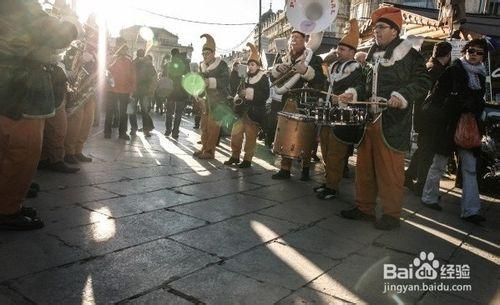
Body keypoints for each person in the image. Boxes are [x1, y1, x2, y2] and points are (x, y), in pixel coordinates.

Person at [338, 7, 431, 230]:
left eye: (381, 27)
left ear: (394, 30)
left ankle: (391, 214)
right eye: (375, 27)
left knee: (390, 171)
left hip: (392, 122)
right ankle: (364, 208)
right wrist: (353, 92)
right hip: (368, 118)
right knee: (364, 167)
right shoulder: (371, 52)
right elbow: (364, 81)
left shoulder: (410, 53)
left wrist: (402, 96)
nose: (376, 31)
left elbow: (423, 82)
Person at [0, 0, 77, 230]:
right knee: (23, 148)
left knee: (7, 148)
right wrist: (72, 23)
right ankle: (7, 208)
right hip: (20, 85)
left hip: (11, 80)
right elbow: (52, 33)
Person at [421, 39, 488, 225]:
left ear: (483, 56)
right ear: (465, 51)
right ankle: (429, 197)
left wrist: (474, 106)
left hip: (467, 127)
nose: (474, 54)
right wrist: (452, 108)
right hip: (448, 125)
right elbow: (436, 98)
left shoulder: (481, 75)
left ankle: (471, 210)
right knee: (438, 163)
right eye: (471, 50)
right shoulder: (452, 71)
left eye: (479, 52)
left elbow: (478, 101)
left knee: (469, 168)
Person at [315, 19, 365, 200]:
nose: (338, 50)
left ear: (352, 52)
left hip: (343, 115)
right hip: (328, 112)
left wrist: (349, 95)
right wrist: (322, 99)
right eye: (339, 48)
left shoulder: (356, 68)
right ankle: (329, 181)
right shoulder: (334, 65)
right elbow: (326, 85)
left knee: (336, 153)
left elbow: (359, 88)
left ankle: (332, 187)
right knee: (326, 150)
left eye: (343, 49)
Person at [270, 29, 325, 181]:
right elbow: (272, 76)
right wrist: (276, 70)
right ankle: (285, 169)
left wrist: (307, 71)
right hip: (287, 100)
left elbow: (321, 80)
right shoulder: (283, 57)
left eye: (297, 37)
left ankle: (305, 169)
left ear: (304, 40)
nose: (293, 39)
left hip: (305, 101)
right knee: (285, 135)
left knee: (306, 136)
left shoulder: (313, 58)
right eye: (292, 37)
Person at [405, 41, 452, 195]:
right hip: (429, 116)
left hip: (422, 114)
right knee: (427, 151)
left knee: (423, 149)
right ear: (447, 55)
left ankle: (409, 175)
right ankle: (421, 184)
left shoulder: (429, 65)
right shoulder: (437, 70)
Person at [224, 43, 270, 168]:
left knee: (250, 138)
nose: (250, 67)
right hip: (242, 111)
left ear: (258, 66)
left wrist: (249, 92)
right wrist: (239, 94)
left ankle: (247, 160)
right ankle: (235, 156)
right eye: (249, 65)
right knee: (235, 134)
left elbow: (265, 94)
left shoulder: (263, 78)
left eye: (253, 65)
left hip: (254, 112)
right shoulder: (245, 78)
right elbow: (239, 90)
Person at [64, 17, 99, 164]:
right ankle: (68, 152)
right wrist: (80, 61)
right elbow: (69, 67)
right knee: (75, 123)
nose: (95, 36)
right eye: (93, 32)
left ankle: (78, 150)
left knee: (87, 122)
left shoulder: (96, 52)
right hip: (76, 91)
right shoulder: (77, 46)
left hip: (90, 92)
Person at [193, 34, 230, 160]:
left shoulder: (222, 65)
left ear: (213, 53)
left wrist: (210, 82)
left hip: (218, 101)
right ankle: (204, 147)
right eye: (203, 53)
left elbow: (225, 81)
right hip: (205, 101)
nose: (205, 55)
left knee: (213, 126)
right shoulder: (201, 65)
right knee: (204, 126)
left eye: (207, 53)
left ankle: (209, 151)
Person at [104, 38, 136, 140]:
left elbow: (132, 76)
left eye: (124, 47)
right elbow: (105, 72)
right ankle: (107, 132)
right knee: (110, 111)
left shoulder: (128, 60)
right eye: (121, 46)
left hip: (123, 89)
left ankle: (121, 133)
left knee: (123, 112)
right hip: (112, 89)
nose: (123, 49)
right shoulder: (111, 58)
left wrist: (132, 88)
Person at [164, 48, 189, 139]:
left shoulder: (167, 64)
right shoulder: (185, 65)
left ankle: (167, 130)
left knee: (169, 112)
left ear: (171, 54)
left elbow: (164, 77)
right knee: (178, 114)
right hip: (181, 92)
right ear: (178, 54)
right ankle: (175, 132)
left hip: (170, 91)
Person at [130, 50, 156, 137]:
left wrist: (151, 88)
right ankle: (143, 129)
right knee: (142, 110)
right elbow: (153, 77)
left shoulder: (137, 63)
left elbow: (153, 77)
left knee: (136, 110)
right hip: (140, 90)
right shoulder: (136, 63)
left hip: (139, 90)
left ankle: (137, 129)